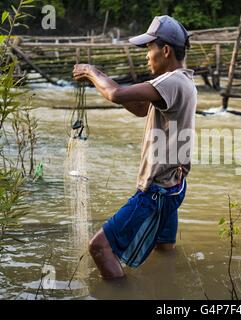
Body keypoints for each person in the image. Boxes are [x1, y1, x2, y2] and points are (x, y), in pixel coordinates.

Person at [73, 15, 197, 279]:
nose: (146, 55)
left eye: (149, 48)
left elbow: (116, 94)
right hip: (174, 186)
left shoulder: (171, 82)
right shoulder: (183, 81)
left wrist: (91, 72)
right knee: (164, 249)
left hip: (156, 192)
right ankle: (168, 287)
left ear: (165, 50)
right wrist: (101, 83)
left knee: (99, 248)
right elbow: (141, 109)